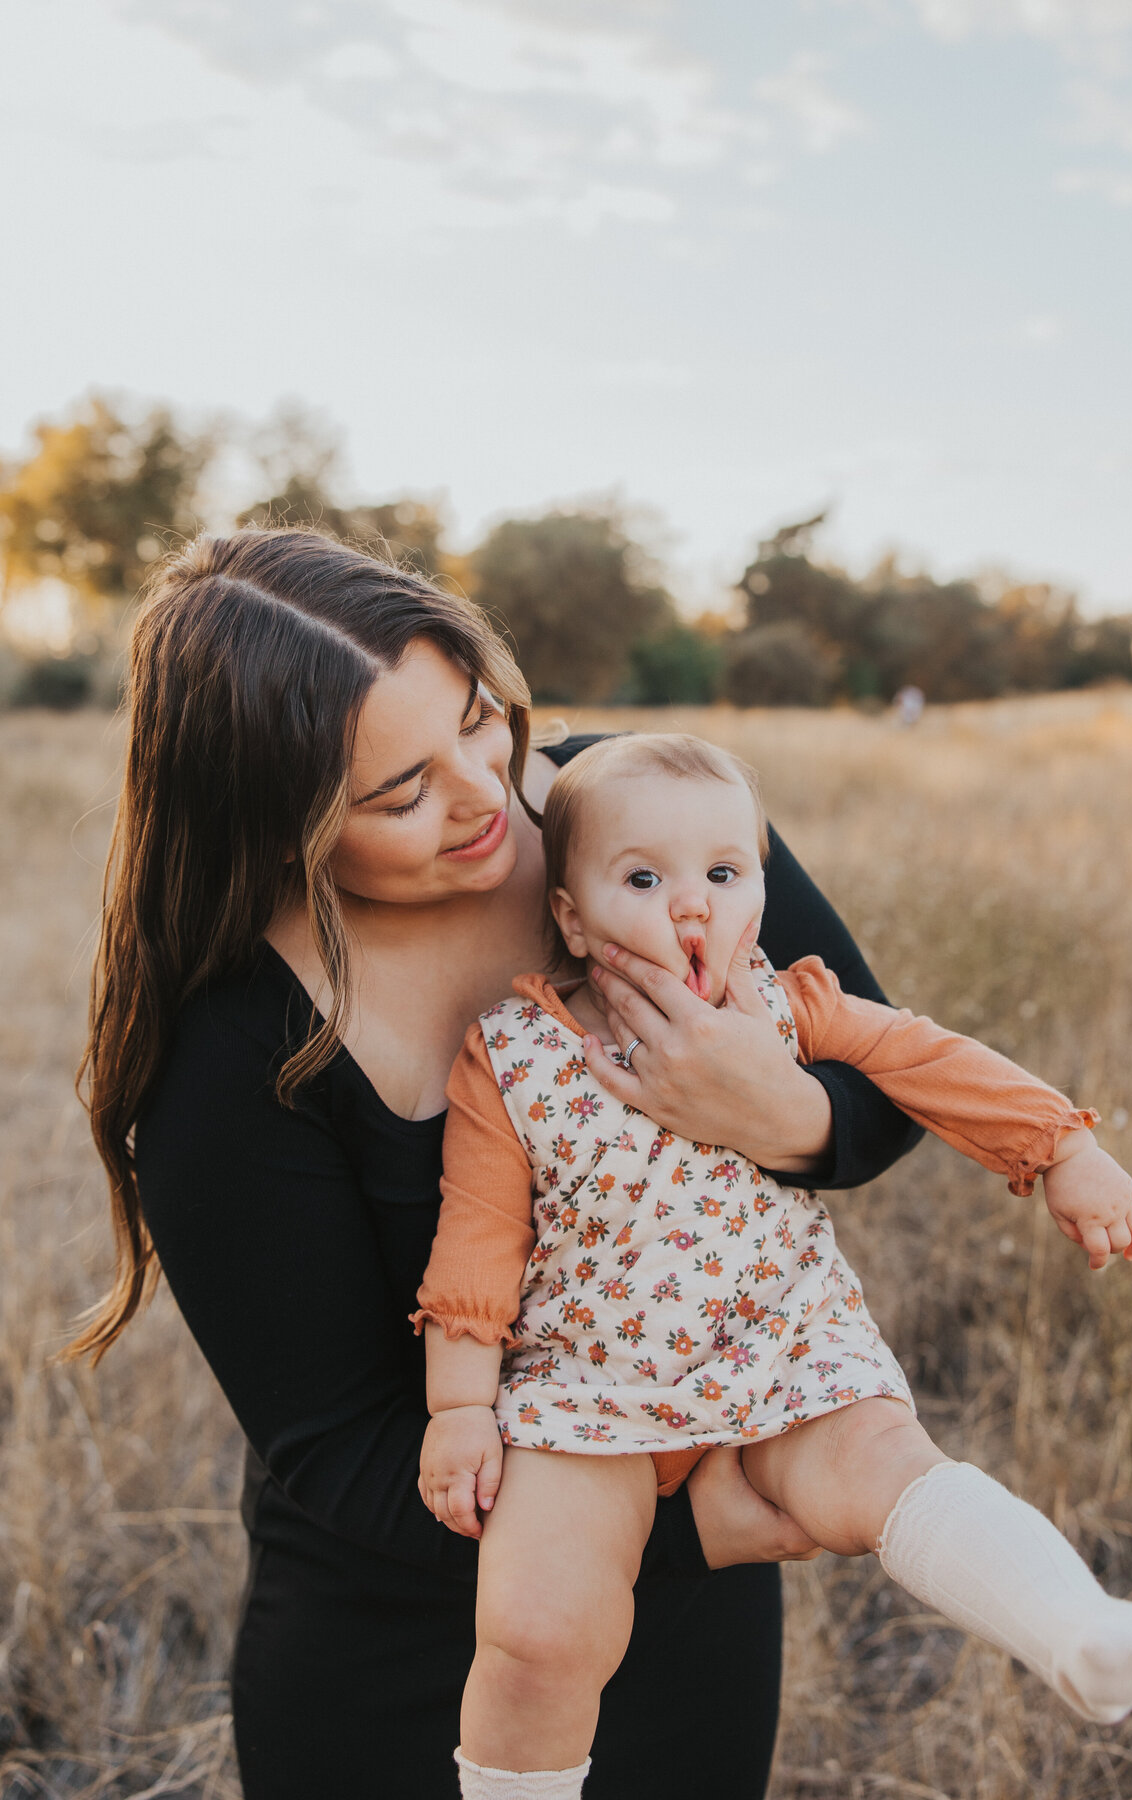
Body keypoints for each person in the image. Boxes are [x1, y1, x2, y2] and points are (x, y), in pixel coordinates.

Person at [69, 528, 933, 1800]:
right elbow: (342, 1452)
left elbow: (883, 1087)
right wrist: (690, 1528)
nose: (486, 795)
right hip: (411, 1652)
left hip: (691, 1651)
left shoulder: (635, 816)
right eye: (400, 792)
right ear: (276, 823)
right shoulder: (227, 1053)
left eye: (481, 722)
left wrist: (774, 1114)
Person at [416, 733, 1132, 1800]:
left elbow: (929, 1060)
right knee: (538, 1626)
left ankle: (1074, 1627)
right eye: (643, 879)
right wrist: (459, 1408)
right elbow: (477, 1235)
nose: (692, 907)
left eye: (724, 876)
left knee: (887, 1464)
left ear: (761, 892)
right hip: (587, 1389)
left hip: (783, 1355)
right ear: (572, 915)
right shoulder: (513, 1053)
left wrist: (1061, 1146)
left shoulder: (792, 1005)